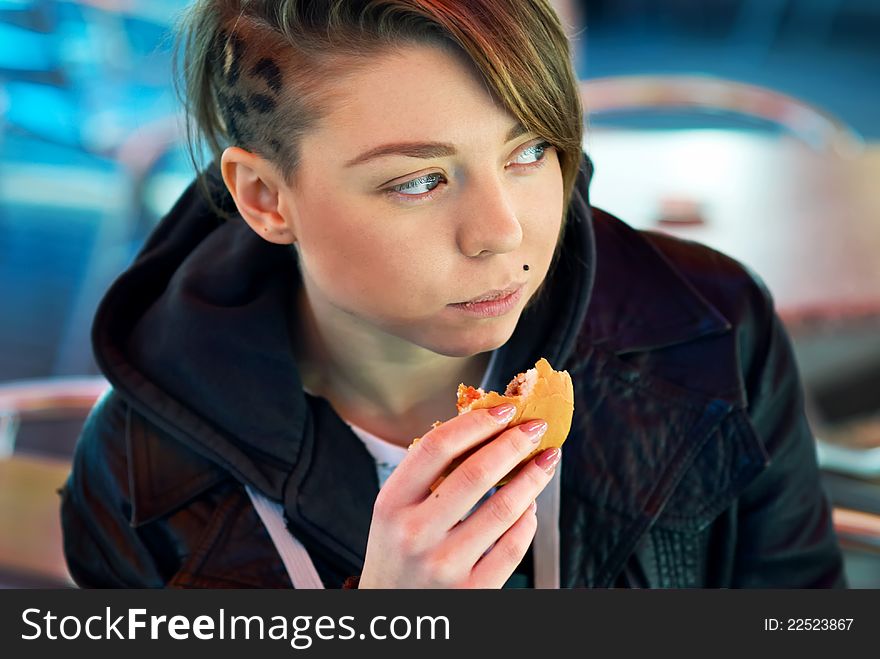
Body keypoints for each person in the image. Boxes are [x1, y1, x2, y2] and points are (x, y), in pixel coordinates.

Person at [59, 0, 846, 588]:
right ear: (267, 198)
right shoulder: (137, 471)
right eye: (420, 180)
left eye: (530, 149)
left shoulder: (714, 328)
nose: (502, 232)